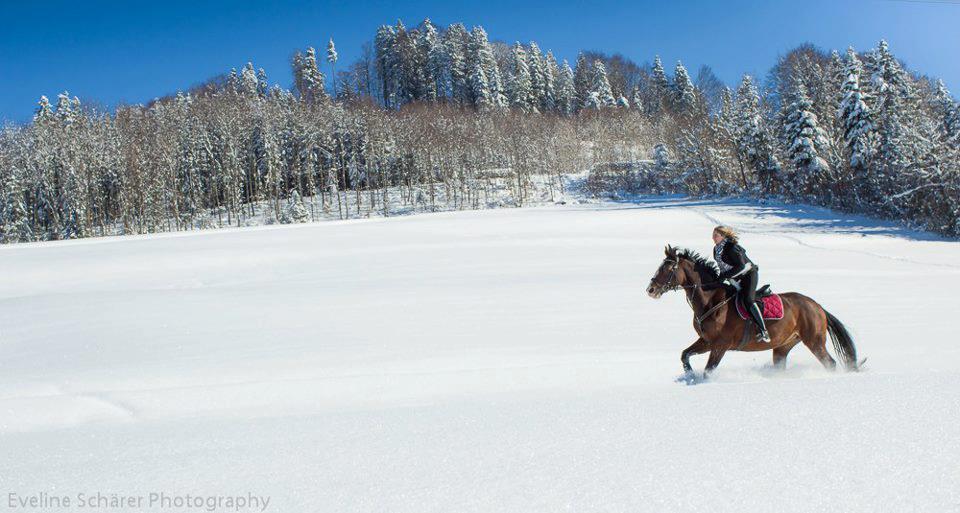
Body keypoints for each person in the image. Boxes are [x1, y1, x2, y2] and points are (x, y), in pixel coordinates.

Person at [712, 225, 770, 343]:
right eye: (713, 235)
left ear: (723, 236)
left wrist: (725, 276)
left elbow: (741, 266)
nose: (713, 237)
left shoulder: (731, 247)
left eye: (716, 235)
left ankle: (763, 330)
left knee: (748, 300)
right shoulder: (716, 249)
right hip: (734, 278)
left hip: (748, 274)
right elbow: (724, 267)